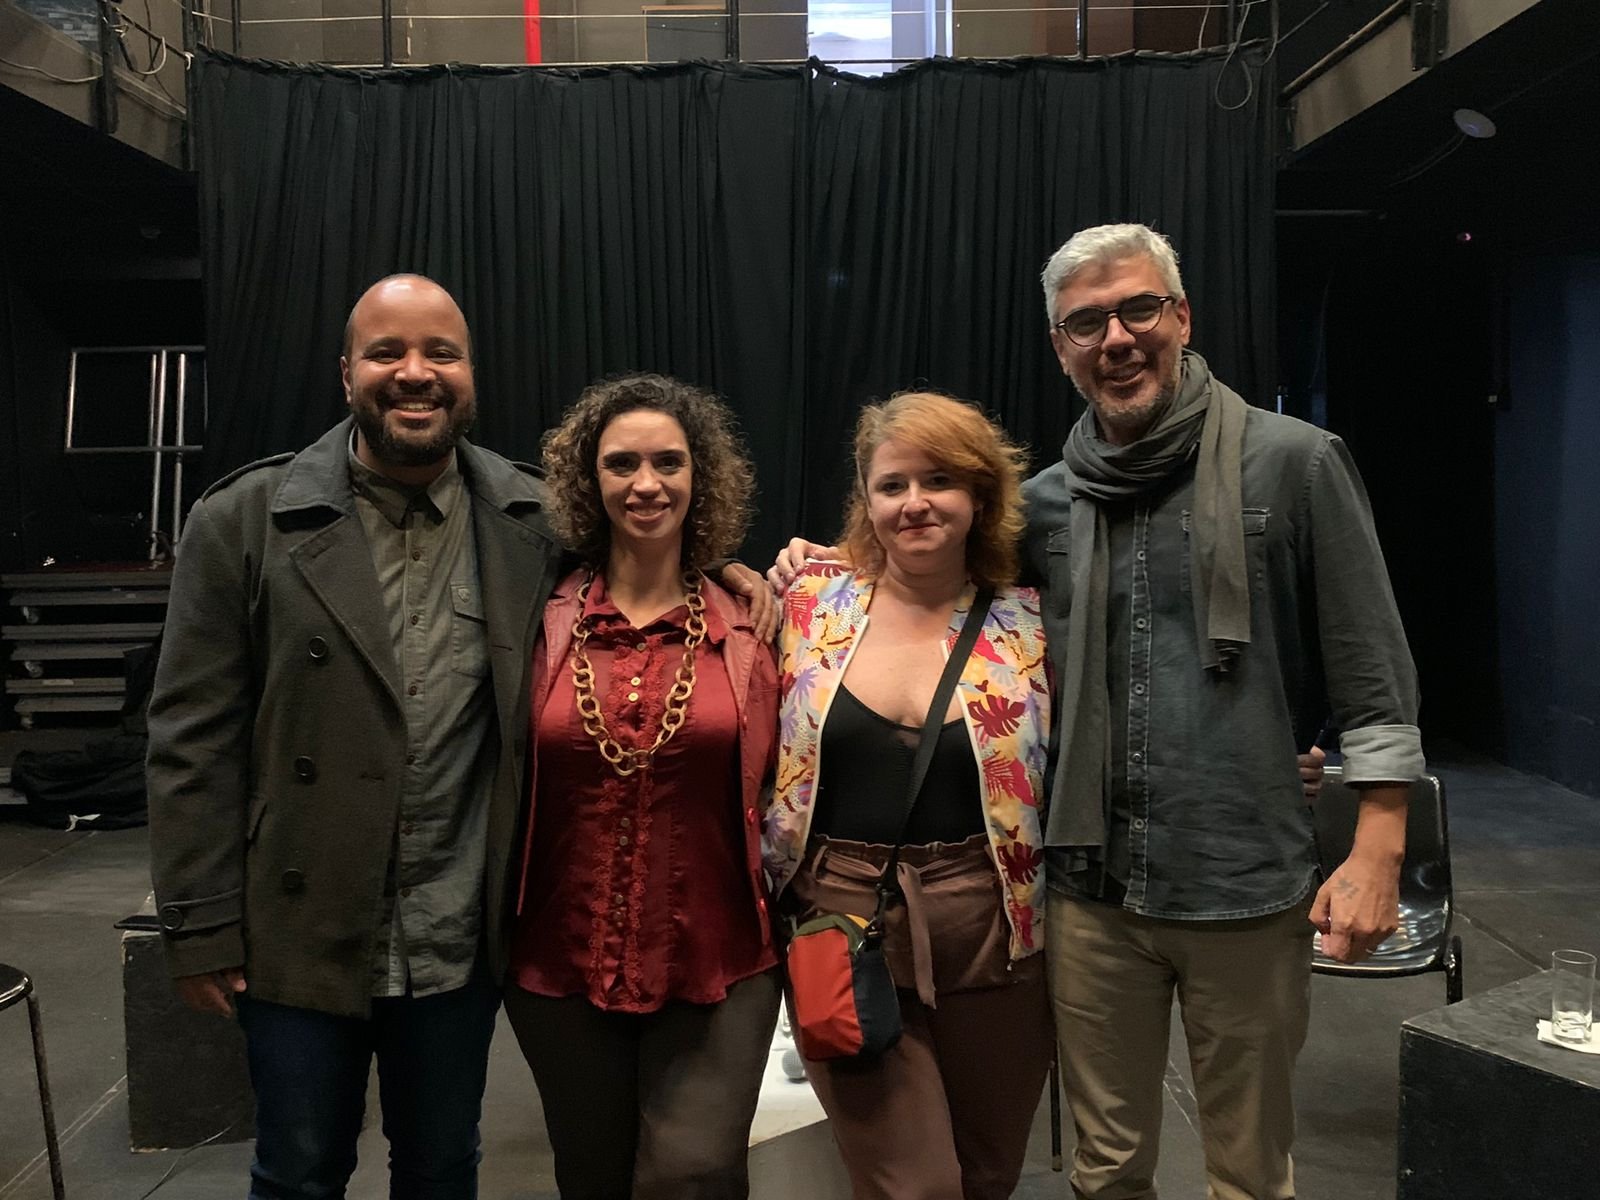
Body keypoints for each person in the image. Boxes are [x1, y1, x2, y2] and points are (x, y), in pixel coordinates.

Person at [146, 277, 776, 1198]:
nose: (415, 373)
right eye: (386, 352)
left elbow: (645, 531)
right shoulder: (244, 520)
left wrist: (720, 561)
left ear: (469, 373)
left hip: (456, 927)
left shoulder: (530, 520)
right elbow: (189, 737)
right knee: (298, 1167)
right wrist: (198, 924)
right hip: (299, 922)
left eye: (440, 352)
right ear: (346, 371)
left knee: (442, 1167)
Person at [1027, 223, 1422, 1200]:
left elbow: (1370, 669)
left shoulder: (1294, 464)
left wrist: (1376, 852)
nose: (1115, 337)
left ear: (1180, 315)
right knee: (1106, 1171)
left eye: (1137, 309)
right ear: (1060, 348)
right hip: (1089, 892)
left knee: (1249, 1173)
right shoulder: (1041, 505)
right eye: (1086, 323)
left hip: (1243, 884)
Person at [763, 391, 1055, 1200]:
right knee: (912, 1186)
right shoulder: (805, 605)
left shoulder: (1035, 622)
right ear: (866, 498)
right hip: (841, 918)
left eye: (940, 480)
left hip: (999, 930)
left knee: (987, 1174)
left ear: (981, 495)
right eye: (892, 484)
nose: (915, 503)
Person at [502, 374, 782, 1200]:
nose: (647, 483)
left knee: (693, 1172)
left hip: (720, 953)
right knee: (590, 1176)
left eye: (669, 462)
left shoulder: (755, 623)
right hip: (559, 955)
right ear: (590, 480)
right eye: (622, 463)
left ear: (702, 477)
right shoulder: (536, 611)